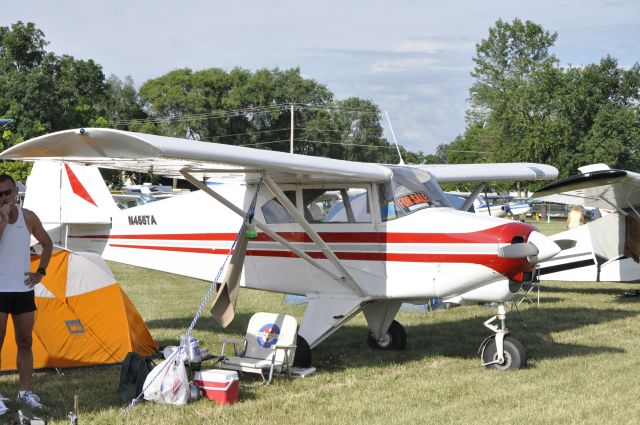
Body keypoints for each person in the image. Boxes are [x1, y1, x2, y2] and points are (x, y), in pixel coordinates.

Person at [0, 174, 52, 415]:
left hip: (22, 290)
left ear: (16, 192)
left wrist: (40, 272)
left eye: (6, 193)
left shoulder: (28, 217)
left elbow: (47, 243)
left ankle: (24, 392)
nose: (2, 198)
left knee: (25, 342)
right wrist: (2, 219)